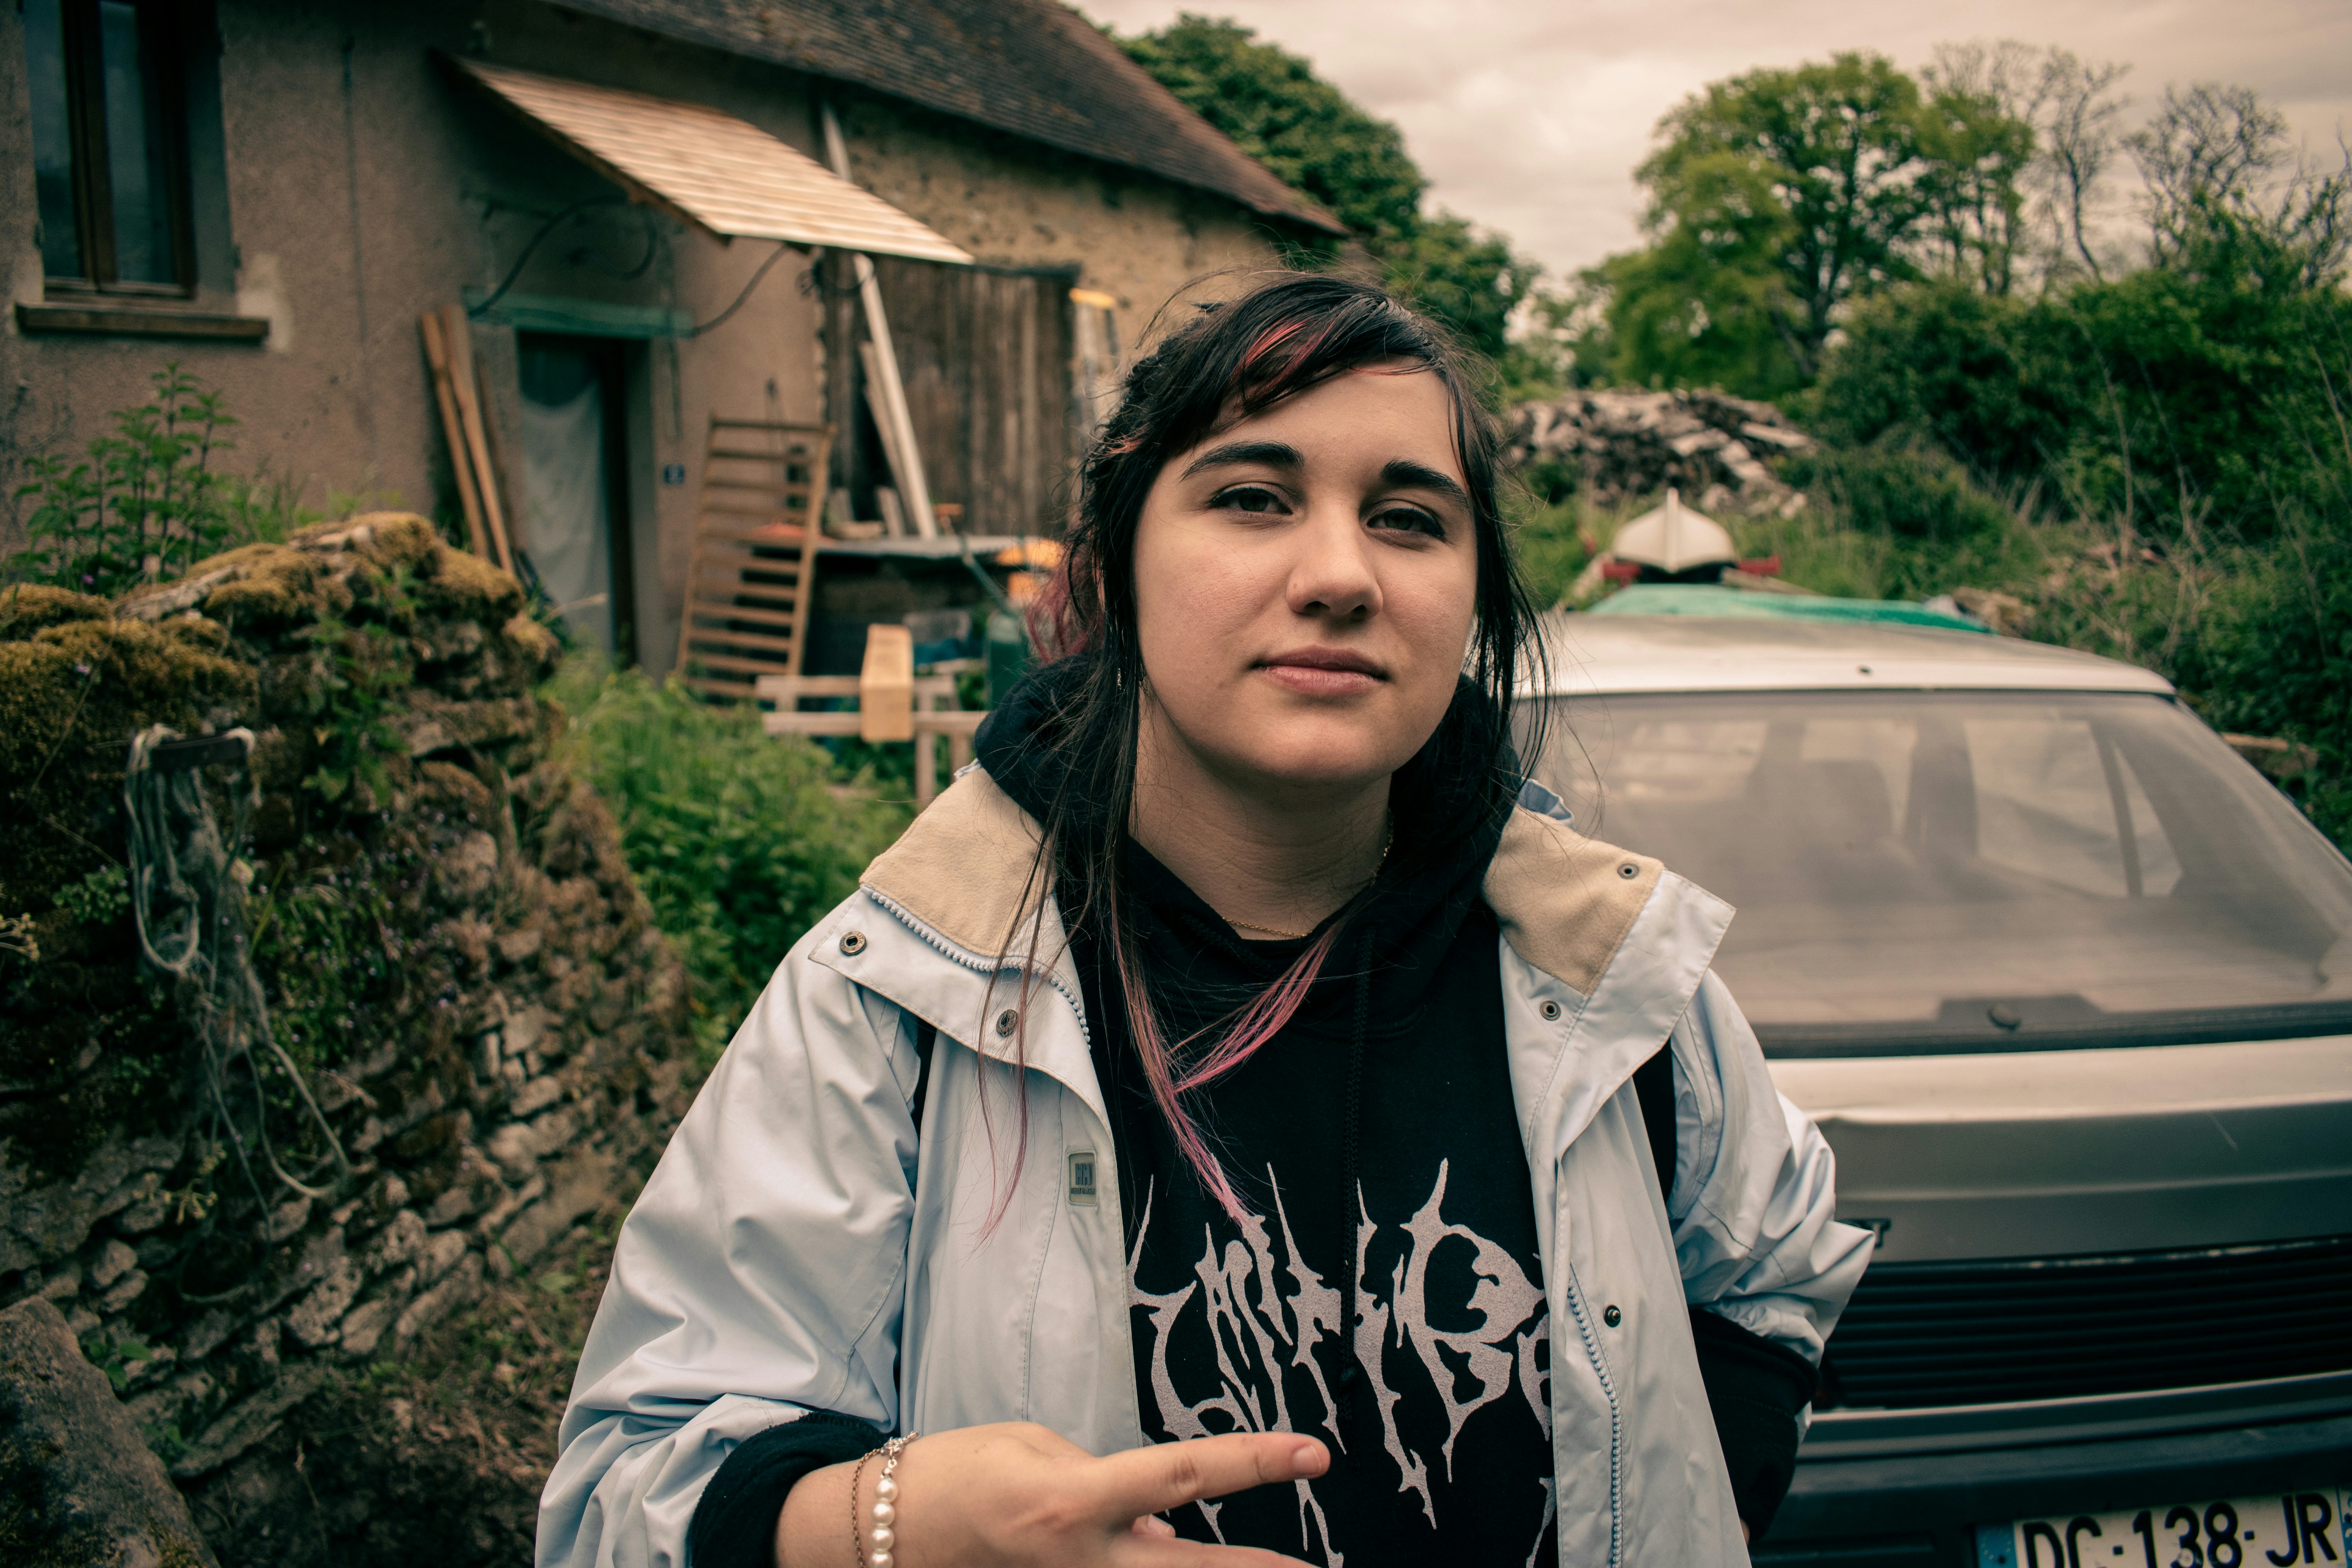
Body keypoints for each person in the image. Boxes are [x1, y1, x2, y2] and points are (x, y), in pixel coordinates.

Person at [538, 275, 1873, 1568]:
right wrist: (890, 1531)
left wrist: (1680, 1510)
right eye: (1252, 498)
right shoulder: (897, 997)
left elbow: (1775, 1269)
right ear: (1115, 556)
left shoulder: (1604, 968)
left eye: (1412, 519)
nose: (1341, 573)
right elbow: (625, 1492)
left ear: (1474, 591)